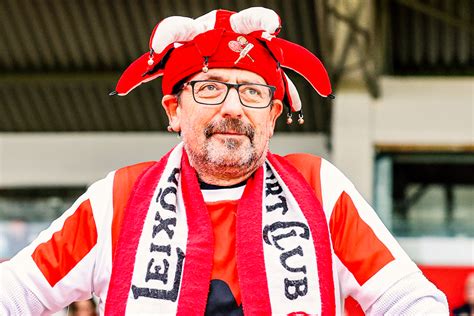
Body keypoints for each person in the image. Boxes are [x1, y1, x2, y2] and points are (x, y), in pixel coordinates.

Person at [0, 7, 448, 315]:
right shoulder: (118, 198)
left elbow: (411, 300)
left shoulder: (319, 187)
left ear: (273, 117)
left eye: (252, 92)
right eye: (210, 87)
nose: (232, 108)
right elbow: (14, 292)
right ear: (174, 110)